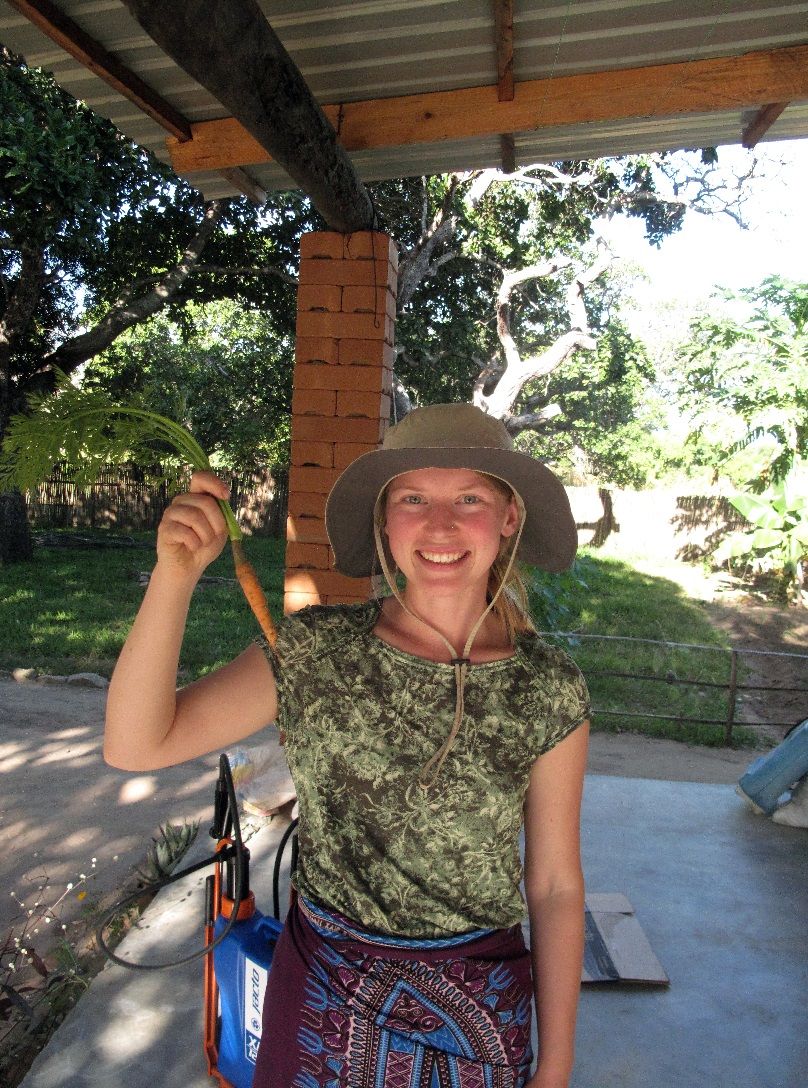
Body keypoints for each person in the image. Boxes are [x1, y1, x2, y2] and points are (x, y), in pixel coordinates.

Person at [105, 402, 590, 1088]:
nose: (441, 523)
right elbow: (135, 745)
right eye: (414, 498)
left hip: (479, 1013)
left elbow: (556, 885)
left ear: (509, 518)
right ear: (385, 519)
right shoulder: (312, 652)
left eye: (470, 498)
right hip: (323, 1000)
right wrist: (176, 574)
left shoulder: (548, 688)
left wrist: (558, 1065)